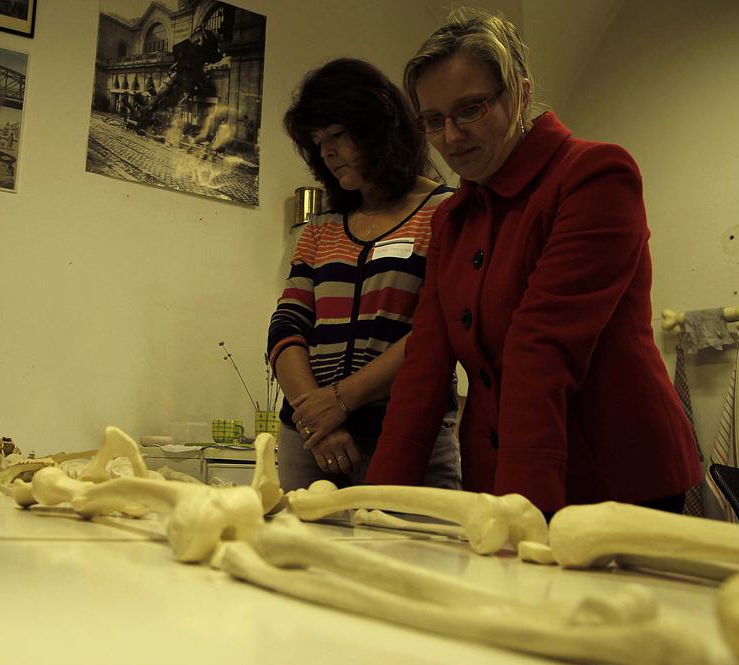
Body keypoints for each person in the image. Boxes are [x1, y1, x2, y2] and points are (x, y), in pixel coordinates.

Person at [366, 8, 701, 514]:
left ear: (520, 95)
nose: (451, 137)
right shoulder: (451, 220)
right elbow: (423, 367)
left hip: (615, 482)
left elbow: (540, 345)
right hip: (500, 480)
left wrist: (519, 512)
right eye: (433, 121)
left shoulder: (595, 175)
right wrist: (378, 506)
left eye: (470, 109)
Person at [267, 58, 462, 492]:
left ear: (380, 126)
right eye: (318, 142)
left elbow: (438, 331)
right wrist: (315, 416)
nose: (327, 152)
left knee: (411, 538)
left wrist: (340, 401)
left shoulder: (445, 212)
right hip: (310, 440)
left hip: (404, 434)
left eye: (337, 135)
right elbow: (286, 327)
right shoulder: (322, 226)